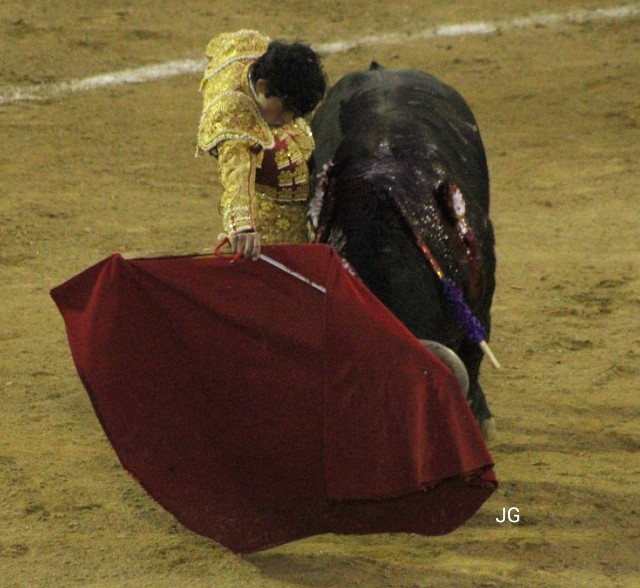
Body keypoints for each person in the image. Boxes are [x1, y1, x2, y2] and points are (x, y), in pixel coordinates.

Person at [195, 30, 327, 259]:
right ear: (263, 87)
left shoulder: (250, 46)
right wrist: (242, 226)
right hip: (272, 225)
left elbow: (219, 44)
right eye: (286, 109)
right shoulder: (232, 116)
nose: (288, 120)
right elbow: (236, 170)